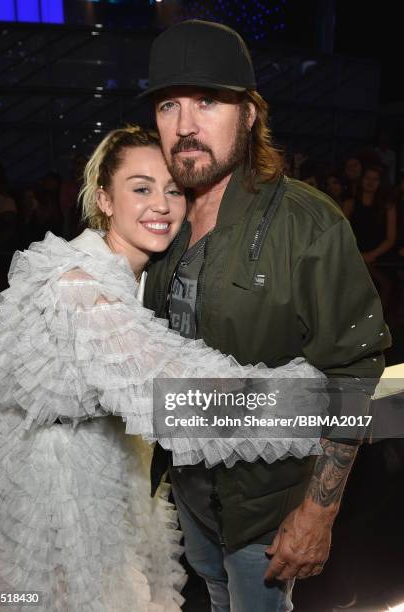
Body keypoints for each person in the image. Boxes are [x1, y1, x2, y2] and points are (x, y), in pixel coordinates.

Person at [0, 126, 326, 612]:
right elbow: (168, 386)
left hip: (119, 465)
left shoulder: (149, 276)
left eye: (173, 190)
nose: (161, 204)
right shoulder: (75, 280)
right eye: (141, 188)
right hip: (61, 490)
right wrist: (315, 402)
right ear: (105, 198)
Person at [141, 20, 391, 611]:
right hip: (191, 495)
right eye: (169, 105)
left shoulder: (307, 222)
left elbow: (353, 372)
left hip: (267, 512)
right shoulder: (161, 219)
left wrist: (318, 512)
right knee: (216, 593)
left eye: (208, 101)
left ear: (250, 114)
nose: (185, 126)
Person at [342, 165, 397, 264]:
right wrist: (356, 254)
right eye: (367, 178)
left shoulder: (387, 205)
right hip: (353, 254)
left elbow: (390, 238)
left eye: (375, 179)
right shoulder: (350, 203)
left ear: (380, 182)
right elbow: (342, 233)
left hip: (380, 255)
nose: (370, 182)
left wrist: (372, 255)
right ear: (361, 179)